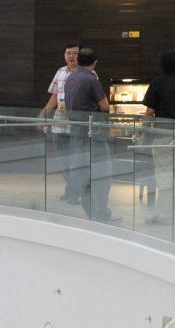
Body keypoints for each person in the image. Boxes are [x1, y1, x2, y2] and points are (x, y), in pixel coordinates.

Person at [142, 49, 175, 225]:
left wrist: (143, 130)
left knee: (164, 176)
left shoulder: (158, 82)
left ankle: (164, 216)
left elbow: (149, 111)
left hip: (164, 135)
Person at [63, 47, 118, 222]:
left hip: (76, 133)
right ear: (94, 62)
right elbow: (105, 106)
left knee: (84, 175)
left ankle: (91, 212)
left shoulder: (70, 78)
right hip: (94, 135)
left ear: (78, 61)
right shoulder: (91, 79)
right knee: (102, 174)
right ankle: (101, 212)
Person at [39, 43, 80, 204]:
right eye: (68, 53)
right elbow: (54, 97)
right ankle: (73, 190)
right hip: (59, 123)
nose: (71, 56)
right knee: (63, 161)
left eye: (75, 53)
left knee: (75, 161)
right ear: (64, 55)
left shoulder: (87, 73)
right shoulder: (60, 72)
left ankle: (75, 192)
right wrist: (43, 116)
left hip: (76, 125)